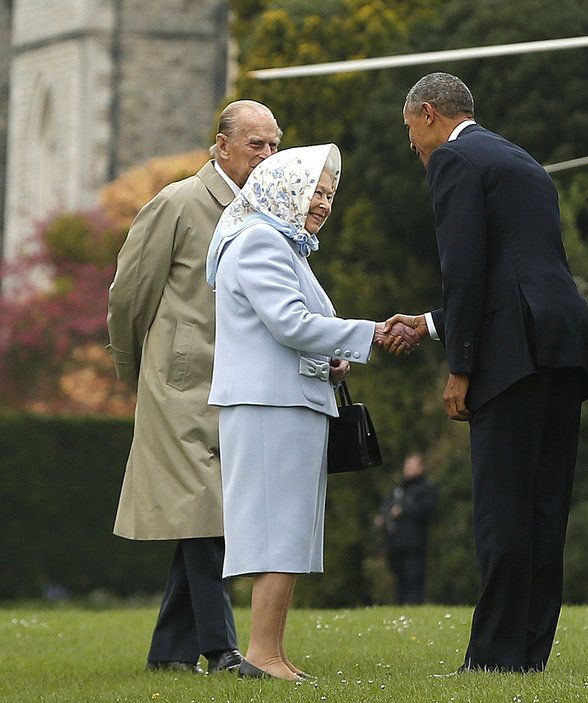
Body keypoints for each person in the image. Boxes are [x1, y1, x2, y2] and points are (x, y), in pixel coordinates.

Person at [388, 72, 588, 673]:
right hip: (562, 346)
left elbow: (467, 271)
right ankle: (529, 651)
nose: (415, 148)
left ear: (429, 114)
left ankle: (492, 657)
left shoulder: (455, 161)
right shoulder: (521, 161)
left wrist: (460, 367)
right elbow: (516, 271)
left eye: (413, 134)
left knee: (502, 510)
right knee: (544, 507)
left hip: (512, 359)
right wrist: (435, 324)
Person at [206, 143, 419, 681]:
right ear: (283, 188)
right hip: (268, 405)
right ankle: (261, 653)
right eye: (314, 191)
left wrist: (331, 357)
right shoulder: (260, 242)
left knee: (290, 526)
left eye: (329, 193)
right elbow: (291, 324)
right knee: (277, 526)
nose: (323, 202)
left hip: (286, 401)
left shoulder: (283, 244)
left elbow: (289, 332)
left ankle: (270, 652)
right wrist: (367, 333)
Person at [107, 100, 282, 674]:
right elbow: (129, 297)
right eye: (256, 144)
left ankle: (169, 654)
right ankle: (221, 647)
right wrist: (138, 374)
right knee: (209, 515)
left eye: (275, 145)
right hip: (180, 386)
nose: (268, 155)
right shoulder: (177, 203)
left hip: (241, 383)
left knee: (208, 514)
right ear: (222, 145)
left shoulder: (268, 213)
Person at [375, 453, 438, 604]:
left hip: (415, 542)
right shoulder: (399, 488)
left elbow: (427, 510)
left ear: (421, 467)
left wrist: (404, 510)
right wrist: (382, 517)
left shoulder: (426, 488)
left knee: (414, 577)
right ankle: (401, 606)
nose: (408, 469)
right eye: (407, 466)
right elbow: (387, 505)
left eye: (412, 466)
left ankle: (414, 606)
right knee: (399, 578)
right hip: (396, 542)